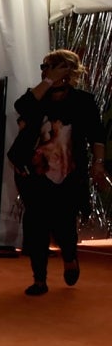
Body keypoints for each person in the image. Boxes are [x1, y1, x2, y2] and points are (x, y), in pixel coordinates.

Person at [11, 50, 106, 296]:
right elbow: (21, 106)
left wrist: (98, 163)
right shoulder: (37, 96)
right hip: (36, 173)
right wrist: (48, 81)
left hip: (69, 175)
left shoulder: (82, 101)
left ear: (66, 71)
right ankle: (39, 280)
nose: (44, 70)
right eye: (43, 66)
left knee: (64, 225)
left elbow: (97, 135)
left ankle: (70, 257)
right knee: (36, 224)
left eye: (50, 66)